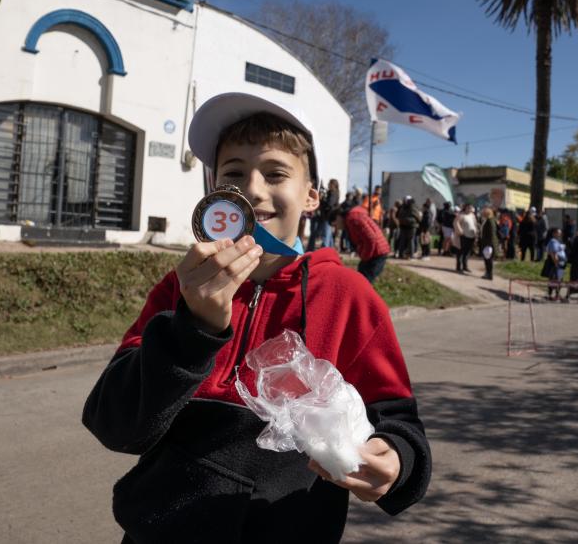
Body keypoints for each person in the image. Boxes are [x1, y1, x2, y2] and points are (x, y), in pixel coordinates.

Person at [82, 92, 431, 543]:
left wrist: (397, 458)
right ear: (214, 199)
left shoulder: (348, 296)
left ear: (310, 197)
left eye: (275, 173)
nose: (252, 187)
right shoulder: (182, 288)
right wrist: (193, 328)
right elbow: (115, 425)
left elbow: (399, 420)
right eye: (233, 173)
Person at [331, 201, 391, 283]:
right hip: (375, 251)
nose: (336, 228)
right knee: (361, 278)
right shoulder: (352, 218)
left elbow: (371, 238)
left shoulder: (352, 218)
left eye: (335, 225)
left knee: (364, 282)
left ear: (338, 217)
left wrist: (365, 257)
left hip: (377, 252)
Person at [306, 178, 340, 251]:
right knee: (328, 235)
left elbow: (329, 204)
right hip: (328, 216)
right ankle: (330, 250)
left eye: (329, 183)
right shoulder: (332, 192)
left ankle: (324, 250)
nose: (328, 184)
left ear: (333, 185)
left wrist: (322, 200)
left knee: (326, 234)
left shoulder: (333, 193)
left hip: (328, 216)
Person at [542, 227, 567, 301]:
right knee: (556, 279)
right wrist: (556, 263)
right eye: (558, 233)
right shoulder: (553, 242)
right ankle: (553, 295)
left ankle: (554, 294)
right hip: (556, 264)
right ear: (554, 234)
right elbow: (553, 253)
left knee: (556, 279)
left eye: (560, 233)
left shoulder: (556, 241)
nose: (560, 234)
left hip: (559, 263)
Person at [454, 204, 477, 273]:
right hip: (463, 236)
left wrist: (476, 232)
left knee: (467, 252)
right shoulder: (461, 215)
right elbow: (456, 223)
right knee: (460, 252)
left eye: (471, 208)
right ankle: (458, 267)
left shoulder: (472, 216)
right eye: (468, 208)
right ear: (465, 208)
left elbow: (475, 224)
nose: (470, 209)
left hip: (471, 236)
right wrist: (460, 231)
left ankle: (465, 266)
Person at [396, 196, 420, 260]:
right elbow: (418, 217)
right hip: (410, 226)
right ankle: (410, 255)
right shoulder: (413, 208)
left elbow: (398, 215)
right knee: (410, 240)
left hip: (406, 226)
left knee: (404, 240)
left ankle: (403, 254)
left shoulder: (403, 207)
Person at [479, 207, 498, 280]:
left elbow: (492, 233)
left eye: (484, 213)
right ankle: (488, 273)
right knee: (487, 259)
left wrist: (489, 244)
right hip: (486, 242)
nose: (482, 214)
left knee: (488, 260)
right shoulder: (487, 220)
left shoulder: (490, 221)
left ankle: (489, 274)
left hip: (489, 243)